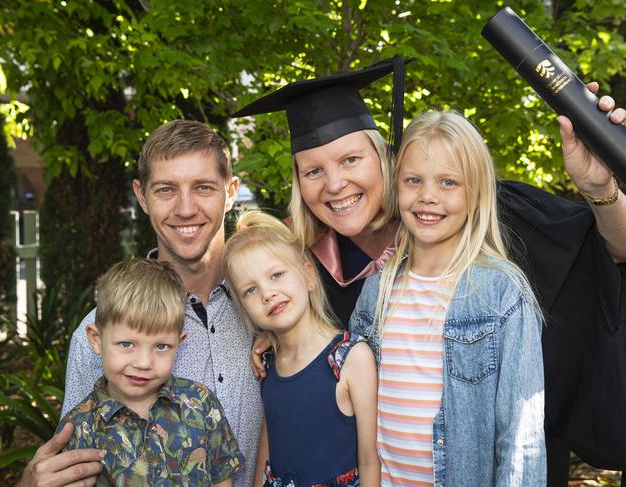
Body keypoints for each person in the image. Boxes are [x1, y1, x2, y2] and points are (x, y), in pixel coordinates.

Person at [234, 57, 626, 484]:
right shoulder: (311, 274)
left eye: (350, 160)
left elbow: (613, 252)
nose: (333, 184)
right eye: (313, 171)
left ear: (386, 157)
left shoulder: (490, 219)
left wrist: (599, 189)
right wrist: (279, 330)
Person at [19, 121, 263, 487]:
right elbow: (71, 466)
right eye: (166, 189)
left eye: (203, 187)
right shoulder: (106, 334)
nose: (185, 208)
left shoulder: (273, 311)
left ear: (230, 192)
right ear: (142, 196)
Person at [350, 110, 545, 485]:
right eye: (413, 180)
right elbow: (344, 392)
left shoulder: (501, 294)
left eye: (448, 182)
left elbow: (521, 440)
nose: (427, 196)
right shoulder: (376, 293)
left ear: (475, 193)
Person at [222, 211, 379, 486]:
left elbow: (369, 460)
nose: (267, 293)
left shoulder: (351, 358)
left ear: (307, 274)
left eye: (277, 275)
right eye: (250, 290)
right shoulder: (267, 363)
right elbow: (268, 453)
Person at [58, 258, 243, 486]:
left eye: (161, 346)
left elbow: (222, 480)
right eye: (127, 344)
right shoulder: (78, 428)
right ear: (96, 340)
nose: (144, 363)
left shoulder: (201, 403)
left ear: (179, 342)